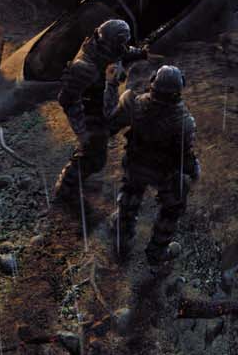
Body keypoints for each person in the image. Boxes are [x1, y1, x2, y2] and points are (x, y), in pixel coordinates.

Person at [108, 64, 198, 263]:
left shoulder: (134, 103)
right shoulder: (185, 122)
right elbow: (185, 158)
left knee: (131, 189)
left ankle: (122, 232)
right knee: (173, 206)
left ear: (153, 83)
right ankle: (157, 252)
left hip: (135, 164)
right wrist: (194, 171)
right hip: (162, 174)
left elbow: (112, 125)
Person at [54, 19, 146, 205]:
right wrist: (81, 132)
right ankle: (65, 189)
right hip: (89, 113)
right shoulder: (84, 68)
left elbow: (124, 51)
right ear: (109, 43)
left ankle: (95, 144)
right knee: (95, 157)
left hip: (101, 104)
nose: (123, 47)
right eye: (120, 44)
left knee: (133, 105)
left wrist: (141, 53)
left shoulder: (107, 48)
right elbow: (67, 100)